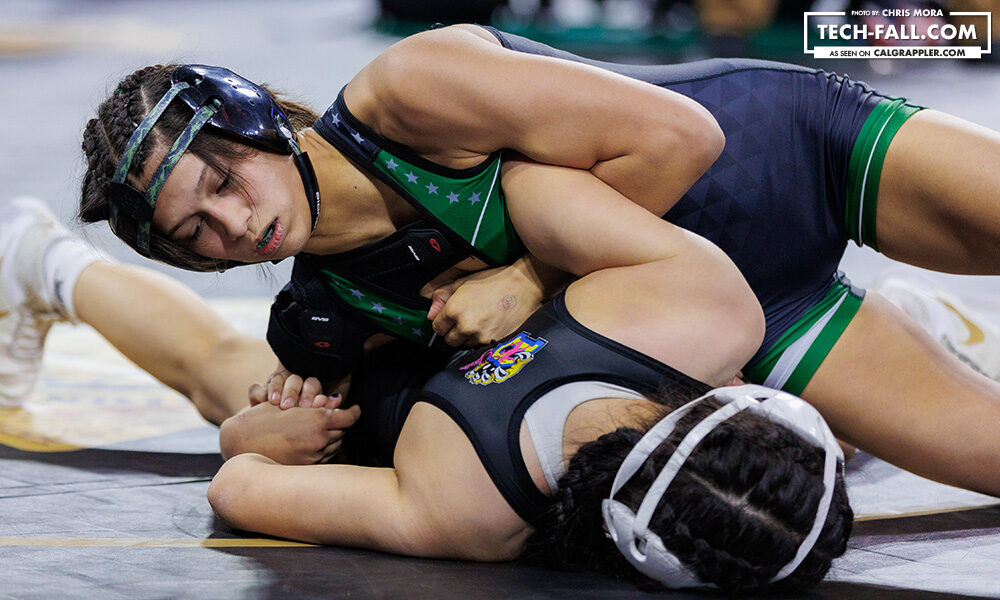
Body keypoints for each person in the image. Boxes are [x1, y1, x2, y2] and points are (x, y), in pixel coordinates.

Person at [69, 23, 1000, 497]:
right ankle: (898, 347)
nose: (234, 225)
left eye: (224, 180)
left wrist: (530, 282)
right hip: (761, 318)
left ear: (256, 120)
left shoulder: (408, 96)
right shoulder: (328, 315)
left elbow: (683, 138)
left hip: (787, 158)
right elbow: (338, 442)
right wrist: (254, 441)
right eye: (196, 234)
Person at [209, 238, 852, 593]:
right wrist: (526, 271)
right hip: (396, 287)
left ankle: (98, 273)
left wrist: (252, 437)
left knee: (211, 363)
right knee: (212, 361)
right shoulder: (472, 517)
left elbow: (239, 482)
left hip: (344, 368)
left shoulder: (471, 514)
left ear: (739, 403)